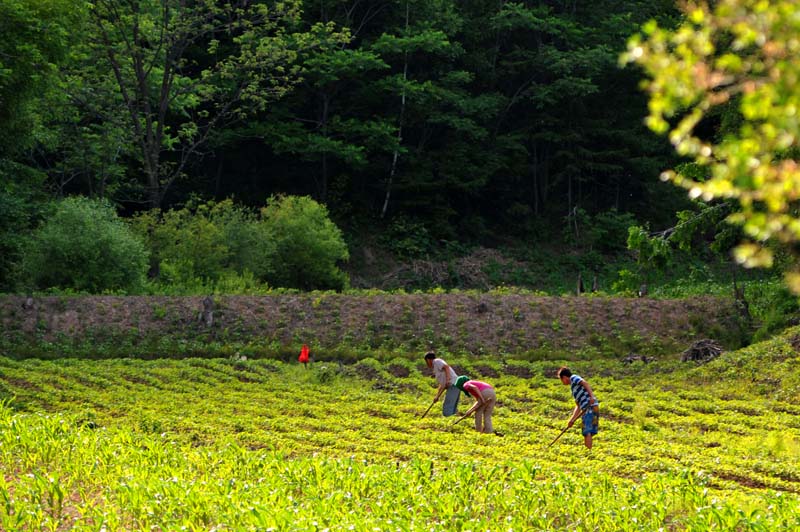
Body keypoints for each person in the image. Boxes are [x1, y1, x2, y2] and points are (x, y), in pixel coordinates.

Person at [557, 366, 599, 449]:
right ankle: (589, 450)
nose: (562, 382)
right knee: (589, 432)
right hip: (588, 407)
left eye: (561, 380)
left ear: (564, 377)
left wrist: (591, 397)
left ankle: (588, 452)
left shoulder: (573, 378)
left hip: (589, 406)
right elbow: (578, 406)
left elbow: (585, 383)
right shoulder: (573, 388)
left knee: (587, 432)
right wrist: (572, 420)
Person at [424, 351, 460, 417]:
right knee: (452, 408)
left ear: (428, 360)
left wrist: (448, 379)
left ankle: (449, 423)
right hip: (454, 385)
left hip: (453, 384)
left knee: (447, 408)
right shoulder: (435, 368)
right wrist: (437, 396)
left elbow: (446, 367)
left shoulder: (436, 361)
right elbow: (442, 385)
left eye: (426, 361)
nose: (427, 363)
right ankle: (453, 422)